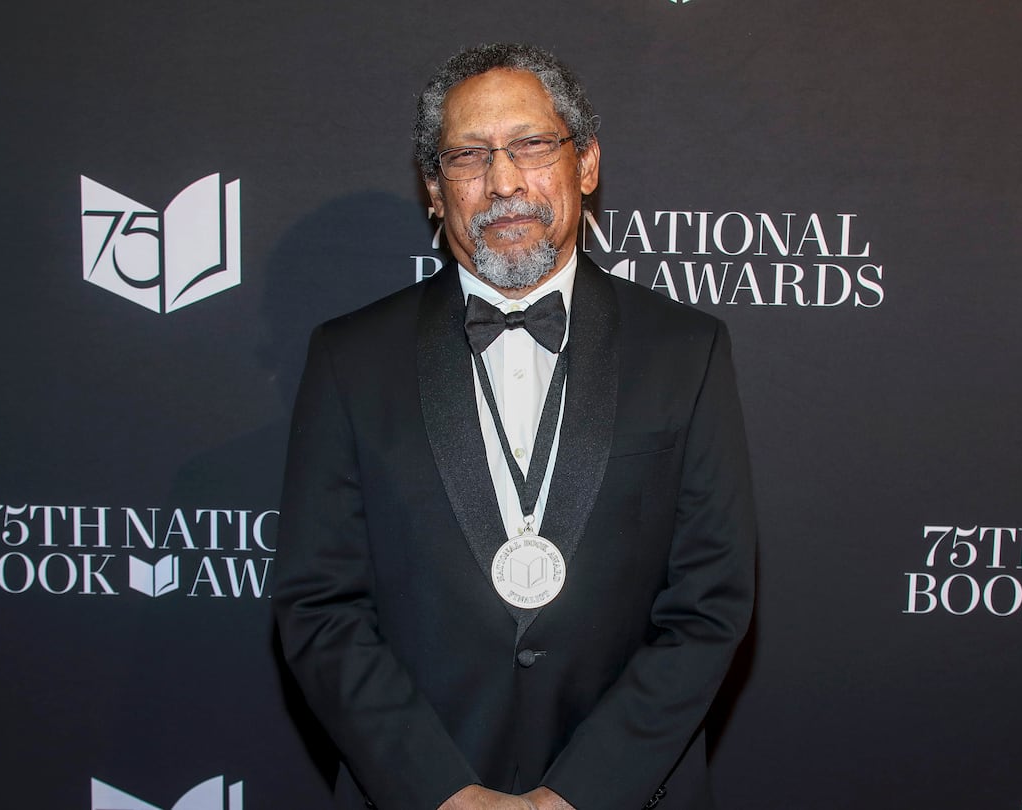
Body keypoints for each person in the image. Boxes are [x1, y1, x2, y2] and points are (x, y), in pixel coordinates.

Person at [273, 43, 756, 810]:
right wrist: (441, 791)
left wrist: (579, 794)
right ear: (435, 190)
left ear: (586, 164)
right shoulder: (349, 359)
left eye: (531, 145)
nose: (503, 182)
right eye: (469, 156)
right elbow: (319, 605)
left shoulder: (686, 350)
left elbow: (711, 603)